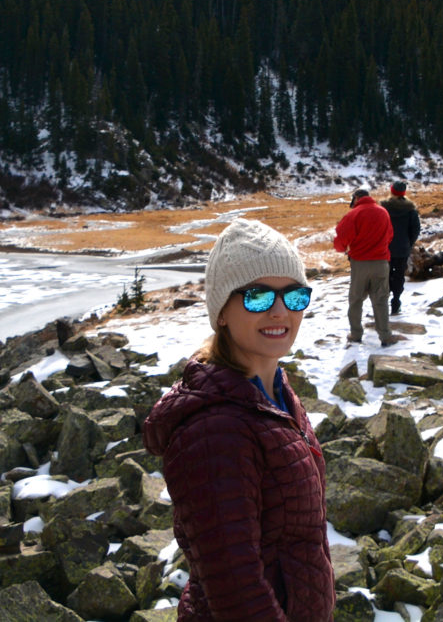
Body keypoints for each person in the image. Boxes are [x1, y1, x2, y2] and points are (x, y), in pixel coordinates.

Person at [141, 220, 332, 622]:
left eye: (295, 295)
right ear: (222, 312)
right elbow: (237, 590)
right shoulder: (215, 430)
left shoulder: (274, 392)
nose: (280, 310)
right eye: (258, 297)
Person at [332, 187, 395, 345]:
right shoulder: (383, 212)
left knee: (356, 299)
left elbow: (340, 238)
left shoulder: (353, 214)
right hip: (381, 263)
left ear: (356, 198)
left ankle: (356, 334)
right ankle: (385, 336)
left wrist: (342, 249)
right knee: (381, 299)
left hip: (360, 263)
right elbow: (390, 236)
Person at [383, 179, 423, 316]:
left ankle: (383, 302)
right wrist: (409, 243)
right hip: (402, 248)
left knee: (385, 275)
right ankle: (396, 301)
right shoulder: (411, 210)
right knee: (399, 275)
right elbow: (416, 229)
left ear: (392, 191)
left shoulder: (384, 208)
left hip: (385, 248)